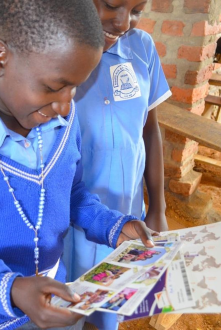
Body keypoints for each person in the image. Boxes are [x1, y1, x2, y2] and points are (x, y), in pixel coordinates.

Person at [0, 0, 156, 329]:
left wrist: (112, 225)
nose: (67, 106)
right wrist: (9, 289)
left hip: (60, 303)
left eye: (75, 87)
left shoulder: (62, 121)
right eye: (54, 87)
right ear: (1, 58)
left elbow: (72, 193)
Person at [64, 0, 171, 328]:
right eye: (112, 5)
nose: (124, 22)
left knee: (109, 308)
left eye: (138, 9)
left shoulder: (142, 48)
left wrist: (158, 207)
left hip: (128, 217)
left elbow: (149, 128)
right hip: (72, 223)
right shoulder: (56, 53)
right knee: (68, 309)